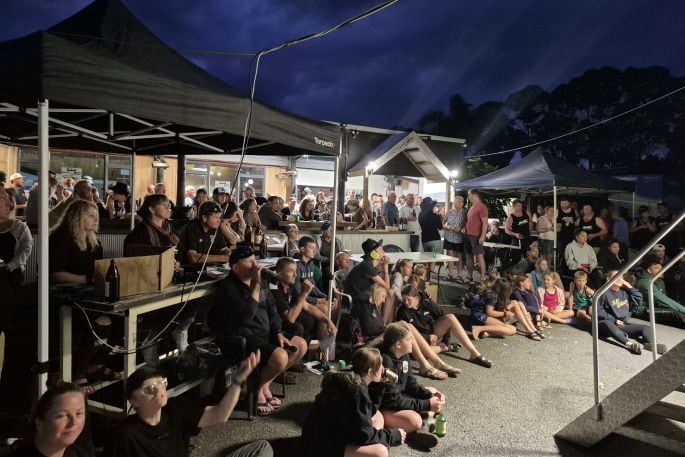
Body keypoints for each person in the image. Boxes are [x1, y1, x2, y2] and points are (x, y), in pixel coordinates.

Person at [105, 357, 273, 457]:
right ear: (133, 401)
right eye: (150, 389)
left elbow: (219, 414)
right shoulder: (126, 435)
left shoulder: (175, 408)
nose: (160, 391)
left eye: (161, 383)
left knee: (262, 448)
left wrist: (238, 381)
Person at [209, 244, 307, 415]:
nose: (255, 266)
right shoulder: (228, 288)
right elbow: (245, 317)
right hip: (245, 337)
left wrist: (278, 332)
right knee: (280, 357)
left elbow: (272, 310)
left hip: (266, 332)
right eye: (249, 262)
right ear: (236, 267)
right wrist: (255, 284)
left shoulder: (262, 284)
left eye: (255, 261)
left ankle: (264, 385)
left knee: (300, 345)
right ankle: (255, 394)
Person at [49, 200, 119, 388]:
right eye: (91, 216)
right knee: (102, 322)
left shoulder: (94, 242)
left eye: (97, 217)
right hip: (62, 297)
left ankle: (95, 363)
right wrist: (87, 280)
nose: (96, 220)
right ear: (77, 217)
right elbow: (55, 275)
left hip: (88, 294)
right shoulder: (60, 238)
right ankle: (75, 372)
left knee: (121, 319)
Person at [301, 347, 405, 457]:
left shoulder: (350, 378)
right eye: (380, 366)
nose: (383, 369)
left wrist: (380, 385)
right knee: (380, 452)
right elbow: (363, 435)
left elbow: (369, 410)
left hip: (324, 435)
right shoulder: (357, 391)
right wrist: (392, 435)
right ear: (370, 372)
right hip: (319, 447)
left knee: (377, 416)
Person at [375, 324, 441, 450]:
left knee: (433, 391)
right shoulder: (386, 361)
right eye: (409, 339)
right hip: (386, 407)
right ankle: (411, 432)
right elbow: (392, 400)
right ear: (398, 344)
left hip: (399, 397)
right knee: (414, 420)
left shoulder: (403, 356)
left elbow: (411, 384)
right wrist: (426, 404)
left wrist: (430, 397)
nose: (412, 342)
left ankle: (424, 425)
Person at [398, 284, 493, 367]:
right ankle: (444, 348)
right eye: (404, 300)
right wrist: (427, 337)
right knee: (421, 354)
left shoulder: (425, 302)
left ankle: (474, 353)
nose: (406, 303)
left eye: (408, 300)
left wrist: (445, 339)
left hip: (433, 333)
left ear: (416, 298)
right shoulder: (402, 312)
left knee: (450, 317)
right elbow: (406, 334)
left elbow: (442, 315)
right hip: (418, 339)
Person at [12, 382, 94, 457]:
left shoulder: (83, 451)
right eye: (62, 416)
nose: (74, 422)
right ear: (40, 422)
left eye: (78, 413)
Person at [0, 187, 32, 378]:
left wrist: (8, 267)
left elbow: (25, 252)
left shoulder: (19, 227)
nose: (9, 203)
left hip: (9, 279)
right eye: (2, 198)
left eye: (6, 198)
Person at [596, 270, 662, 355]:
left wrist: (629, 286)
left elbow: (639, 299)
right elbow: (598, 312)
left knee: (646, 328)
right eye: (616, 277)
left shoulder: (625, 292)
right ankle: (629, 345)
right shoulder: (602, 293)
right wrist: (614, 320)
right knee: (606, 322)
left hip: (622, 325)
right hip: (606, 325)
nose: (619, 279)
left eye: (621, 277)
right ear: (608, 279)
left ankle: (653, 345)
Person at [273, 257, 337, 344]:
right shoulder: (276, 290)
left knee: (308, 320)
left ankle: (308, 350)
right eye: (291, 271)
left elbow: (307, 306)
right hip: (277, 326)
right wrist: (304, 294)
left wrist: (328, 321)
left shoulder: (291, 287)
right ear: (279, 274)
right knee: (299, 326)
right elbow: (290, 318)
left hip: (289, 317)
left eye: (295, 271)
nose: (295, 275)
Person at [470, 277, 542, 341]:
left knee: (518, 304)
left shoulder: (496, 294)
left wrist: (511, 304)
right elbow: (489, 312)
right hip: (480, 316)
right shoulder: (492, 296)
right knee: (512, 330)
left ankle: (530, 329)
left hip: (485, 315)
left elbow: (503, 304)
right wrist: (505, 313)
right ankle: (479, 328)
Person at [344, 239, 396, 325]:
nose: (384, 251)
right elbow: (387, 286)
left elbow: (383, 284)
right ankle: (382, 325)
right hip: (356, 297)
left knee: (390, 293)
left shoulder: (371, 265)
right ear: (374, 254)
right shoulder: (367, 266)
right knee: (390, 293)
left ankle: (387, 325)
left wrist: (381, 265)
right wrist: (386, 266)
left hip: (363, 293)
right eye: (381, 249)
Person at [635, 256, 685, 327]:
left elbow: (664, 301)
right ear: (649, 270)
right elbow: (662, 300)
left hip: (657, 308)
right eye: (657, 268)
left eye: (661, 268)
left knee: (675, 310)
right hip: (643, 310)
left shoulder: (660, 281)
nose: (661, 270)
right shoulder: (645, 283)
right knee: (672, 312)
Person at [177, 201, 230, 265]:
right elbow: (193, 258)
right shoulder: (192, 228)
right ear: (204, 218)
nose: (219, 221)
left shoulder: (215, 228)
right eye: (216, 217)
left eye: (220, 217)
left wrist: (230, 254)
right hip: (191, 270)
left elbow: (224, 249)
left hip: (211, 268)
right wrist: (223, 258)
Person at [465, 189, 488, 282]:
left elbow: (485, 223)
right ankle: (470, 276)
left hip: (476, 236)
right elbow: (469, 222)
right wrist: (465, 228)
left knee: (479, 256)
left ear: (475, 195)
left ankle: (482, 278)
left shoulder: (482, 207)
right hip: (468, 235)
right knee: (468, 256)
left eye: (469, 195)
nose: (469, 197)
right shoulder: (471, 207)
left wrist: (482, 236)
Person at [443, 195, 467, 280]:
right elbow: (443, 223)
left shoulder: (465, 213)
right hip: (449, 236)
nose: (457, 203)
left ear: (462, 203)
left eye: (459, 202)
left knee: (459, 256)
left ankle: (459, 275)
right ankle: (450, 274)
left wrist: (462, 229)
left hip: (459, 237)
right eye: (456, 201)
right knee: (450, 255)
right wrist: (448, 227)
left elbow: (467, 225)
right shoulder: (449, 211)